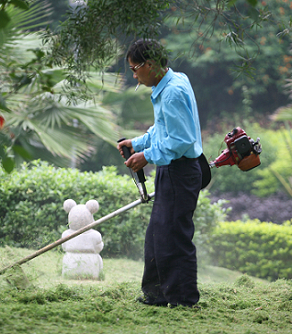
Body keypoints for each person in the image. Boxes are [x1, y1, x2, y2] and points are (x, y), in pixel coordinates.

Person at [117, 39, 203, 308]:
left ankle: (183, 301)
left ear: (149, 64)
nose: (134, 76)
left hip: (181, 170)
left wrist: (146, 156)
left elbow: (181, 140)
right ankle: (156, 295)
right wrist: (138, 143)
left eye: (135, 69)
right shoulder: (172, 82)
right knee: (158, 235)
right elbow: (164, 128)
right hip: (171, 170)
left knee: (174, 238)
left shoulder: (173, 92)